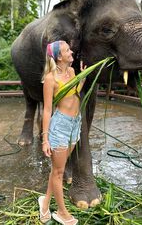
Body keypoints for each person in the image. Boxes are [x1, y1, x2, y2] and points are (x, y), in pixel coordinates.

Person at [38, 40, 86, 225]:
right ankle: (61, 212)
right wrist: (45, 139)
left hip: (75, 124)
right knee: (59, 172)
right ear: (59, 56)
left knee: (57, 170)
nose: (71, 51)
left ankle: (45, 203)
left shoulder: (72, 71)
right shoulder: (50, 79)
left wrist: (82, 77)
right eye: (68, 50)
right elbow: (48, 110)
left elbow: (74, 93)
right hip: (59, 126)